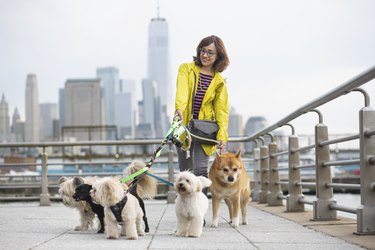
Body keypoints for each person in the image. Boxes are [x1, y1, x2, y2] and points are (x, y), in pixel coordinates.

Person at [174, 35, 230, 182]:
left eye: (210, 52)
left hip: (205, 130)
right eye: (202, 50)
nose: (205, 55)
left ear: (218, 56)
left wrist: (222, 136)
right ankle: (187, 205)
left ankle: (200, 206)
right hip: (183, 126)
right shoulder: (186, 69)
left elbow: (221, 110)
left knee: (200, 171)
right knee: (185, 172)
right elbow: (183, 92)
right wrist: (179, 109)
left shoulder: (219, 81)